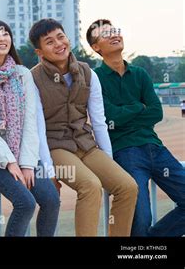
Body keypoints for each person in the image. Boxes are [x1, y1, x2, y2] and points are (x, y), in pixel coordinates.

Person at [28, 18, 138, 236]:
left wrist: (107, 158)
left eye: (61, 37)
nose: (58, 44)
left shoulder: (89, 73)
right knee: (90, 186)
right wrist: (49, 169)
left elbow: (98, 121)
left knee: (127, 186)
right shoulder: (33, 78)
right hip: (55, 146)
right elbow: (37, 127)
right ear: (40, 52)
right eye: (49, 42)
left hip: (85, 144)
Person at [87, 19, 185, 236]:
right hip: (125, 152)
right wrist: (138, 106)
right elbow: (109, 117)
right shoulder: (95, 78)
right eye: (106, 34)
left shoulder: (140, 74)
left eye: (115, 31)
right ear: (96, 48)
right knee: (141, 217)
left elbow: (155, 113)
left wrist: (128, 112)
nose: (114, 35)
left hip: (156, 148)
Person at [0, 20, 60, 237]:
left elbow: (29, 121)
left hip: (24, 153)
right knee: (25, 203)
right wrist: (10, 161)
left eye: (5, 34)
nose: (2, 38)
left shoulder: (22, 73)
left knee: (51, 200)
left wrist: (26, 163)